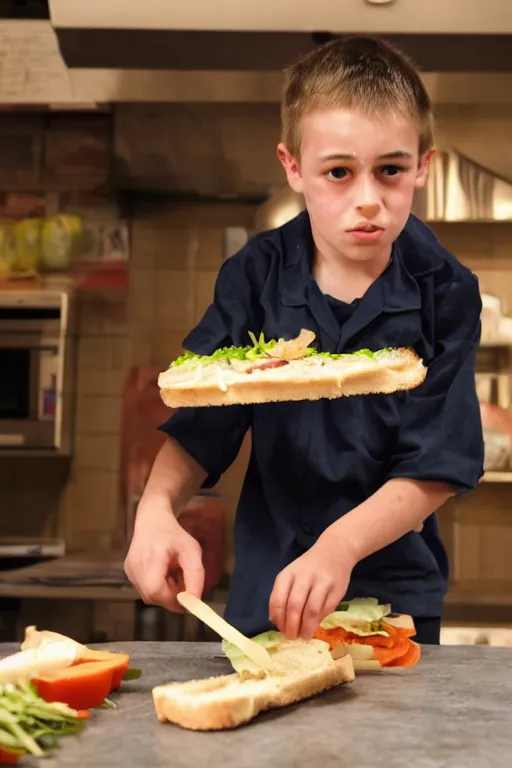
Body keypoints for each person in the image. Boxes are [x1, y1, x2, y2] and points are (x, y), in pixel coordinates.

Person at [124, 35, 484, 646]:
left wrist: (338, 549)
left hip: (395, 599)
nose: (367, 199)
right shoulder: (255, 275)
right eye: (338, 172)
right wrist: (156, 511)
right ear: (293, 167)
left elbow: (436, 467)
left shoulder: (447, 291)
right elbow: (203, 423)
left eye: (390, 171)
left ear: (422, 165)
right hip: (269, 589)